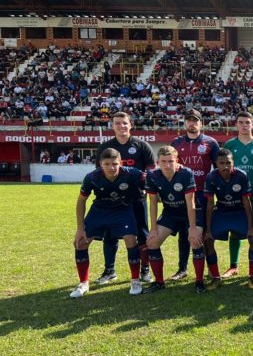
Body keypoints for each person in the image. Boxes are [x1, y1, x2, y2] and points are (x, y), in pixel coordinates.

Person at [70, 148, 145, 298]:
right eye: (107, 164)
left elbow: (153, 178)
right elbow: (81, 201)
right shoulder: (92, 177)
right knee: (80, 242)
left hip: (122, 210)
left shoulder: (132, 173)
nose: (111, 167)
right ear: (100, 164)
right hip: (99, 210)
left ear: (120, 163)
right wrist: (80, 229)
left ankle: (136, 280)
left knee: (131, 239)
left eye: (115, 164)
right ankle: (83, 283)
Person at [94, 111, 155, 286]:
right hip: (112, 201)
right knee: (110, 235)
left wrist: (147, 190)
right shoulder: (105, 148)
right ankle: (109, 271)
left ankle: (145, 269)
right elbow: (99, 174)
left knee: (142, 235)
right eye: (118, 123)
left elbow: (151, 172)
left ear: (131, 125)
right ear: (112, 126)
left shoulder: (142, 146)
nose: (121, 126)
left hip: (136, 198)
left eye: (124, 123)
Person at [144, 146, 203, 293]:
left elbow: (191, 203)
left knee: (195, 241)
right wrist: (152, 229)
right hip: (170, 213)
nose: (167, 165)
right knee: (152, 242)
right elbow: (152, 203)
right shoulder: (152, 175)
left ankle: (199, 282)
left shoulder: (186, 173)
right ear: (158, 162)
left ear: (177, 161)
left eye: (171, 161)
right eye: (163, 161)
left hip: (191, 212)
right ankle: (159, 282)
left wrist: (193, 228)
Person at [170, 109, 220, 281]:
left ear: (201, 123)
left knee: (205, 232)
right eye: (189, 120)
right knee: (185, 232)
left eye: (195, 120)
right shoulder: (175, 143)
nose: (192, 123)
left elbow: (218, 168)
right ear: (184, 123)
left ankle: (210, 269)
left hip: (203, 194)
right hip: (182, 194)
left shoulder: (210, 143)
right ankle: (182, 268)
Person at [202, 149, 253, 293]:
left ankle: (252, 275)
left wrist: (252, 226)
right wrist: (208, 230)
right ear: (216, 163)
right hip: (221, 212)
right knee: (207, 240)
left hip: (239, 211)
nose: (225, 166)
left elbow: (246, 201)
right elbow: (210, 203)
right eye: (221, 163)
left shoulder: (241, 175)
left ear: (233, 162)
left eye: (228, 162)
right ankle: (215, 277)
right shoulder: (211, 176)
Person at [222, 111, 253, 278]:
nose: (244, 125)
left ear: (252, 125)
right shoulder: (229, 145)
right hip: (235, 195)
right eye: (241, 122)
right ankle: (233, 265)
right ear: (236, 125)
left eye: (247, 122)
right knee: (235, 230)